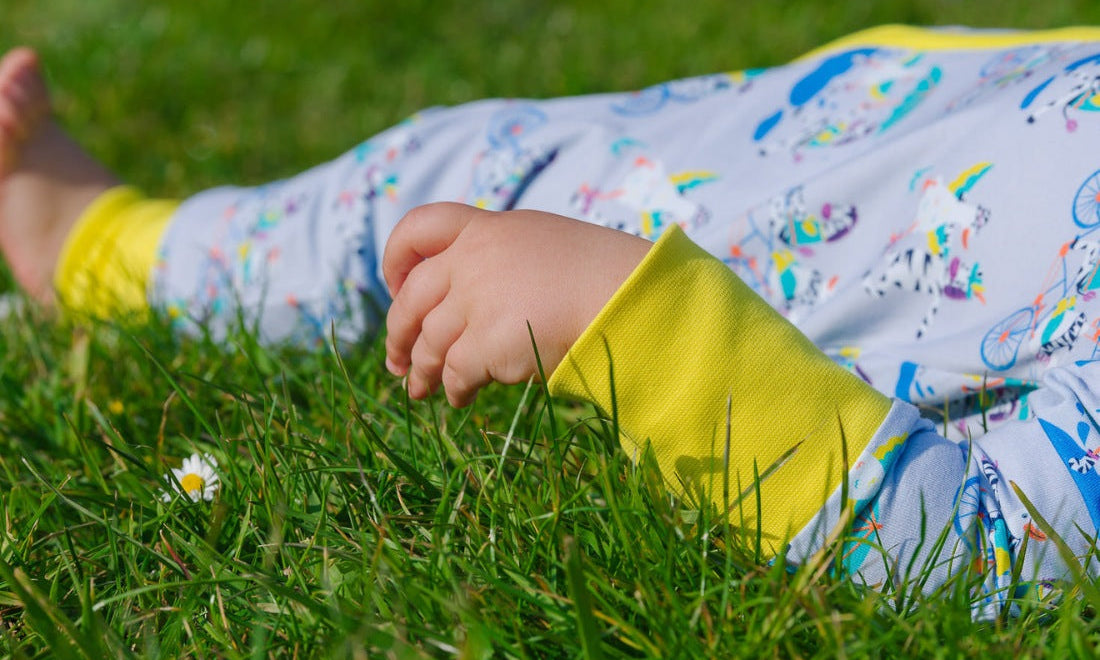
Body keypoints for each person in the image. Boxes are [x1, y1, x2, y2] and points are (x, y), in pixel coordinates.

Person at [5, 25, 1100, 612]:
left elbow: (976, 554)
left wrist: (618, 315)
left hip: (709, 249)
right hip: (837, 131)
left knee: (403, 207)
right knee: (453, 163)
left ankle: (98, 250)